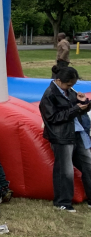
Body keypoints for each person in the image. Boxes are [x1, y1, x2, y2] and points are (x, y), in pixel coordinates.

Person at [39, 66, 91, 213]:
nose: (71, 87)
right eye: (69, 85)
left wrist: (84, 102)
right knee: (65, 170)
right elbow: (52, 118)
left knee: (88, 165)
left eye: (73, 85)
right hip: (61, 136)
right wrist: (76, 109)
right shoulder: (49, 95)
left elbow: (79, 109)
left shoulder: (69, 91)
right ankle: (62, 202)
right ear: (59, 80)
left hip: (77, 133)